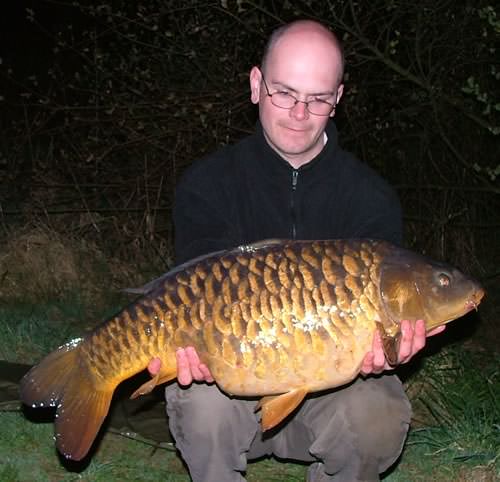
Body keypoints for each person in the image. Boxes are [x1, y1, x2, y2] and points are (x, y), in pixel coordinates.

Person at [149, 19, 444, 481]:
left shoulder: (371, 198)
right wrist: (196, 349)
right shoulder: (206, 185)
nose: (299, 113)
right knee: (200, 405)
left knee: (377, 416)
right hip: (233, 386)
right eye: (284, 93)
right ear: (255, 85)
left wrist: (390, 350)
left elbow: (384, 328)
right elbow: (193, 292)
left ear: (338, 100)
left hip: (328, 399)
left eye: (318, 98)